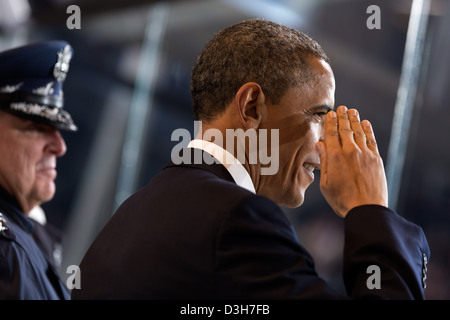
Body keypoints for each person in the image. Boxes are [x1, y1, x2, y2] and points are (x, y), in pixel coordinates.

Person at [72, 19, 430, 299]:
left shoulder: (137, 210)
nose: (325, 144)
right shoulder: (236, 220)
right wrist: (369, 210)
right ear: (252, 106)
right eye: (319, 116)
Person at [0, 40, 77, 299]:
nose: (60, 146)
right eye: (35, 128)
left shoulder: (30, 234)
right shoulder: (5, 250)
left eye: (56, 130)